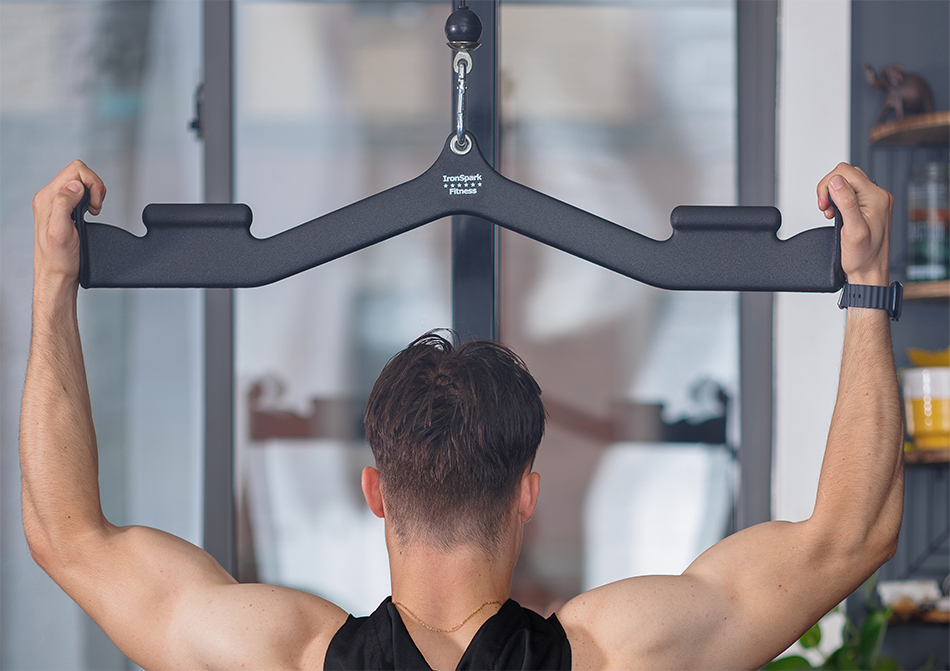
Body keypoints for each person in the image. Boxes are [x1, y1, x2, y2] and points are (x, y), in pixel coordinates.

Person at [21, 160, 902, 671]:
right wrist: (866, 289)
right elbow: (848, 537)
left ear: (375, 488)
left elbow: (68, 537)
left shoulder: (285, 653)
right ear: (528, 492)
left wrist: (55, 283)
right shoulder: (609, 653)